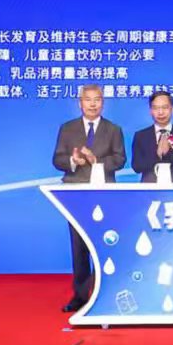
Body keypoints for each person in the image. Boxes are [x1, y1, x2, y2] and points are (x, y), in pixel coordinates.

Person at [52, 84, 126, 312]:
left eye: (97, 99)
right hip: (76, 193)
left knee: (105, 243)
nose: (93, 104)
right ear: (80, 103)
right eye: (88, 99)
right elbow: (57, 159)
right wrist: (73, 161)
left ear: (103, 102)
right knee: (79, 246)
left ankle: (105, 292)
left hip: (105, 193)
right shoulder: (67, 128)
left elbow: (120, 159)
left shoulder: (113, 129)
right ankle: (81, 295)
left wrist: (97, 162)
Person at [131, 90, 173, 183]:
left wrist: (168, 153)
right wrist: (157, 154)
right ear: (150, 111)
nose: (160, 112)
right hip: (148, 187)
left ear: (172, 109)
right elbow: (136, 167)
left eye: (165, 107)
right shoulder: (141, 136)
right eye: (156, 108)